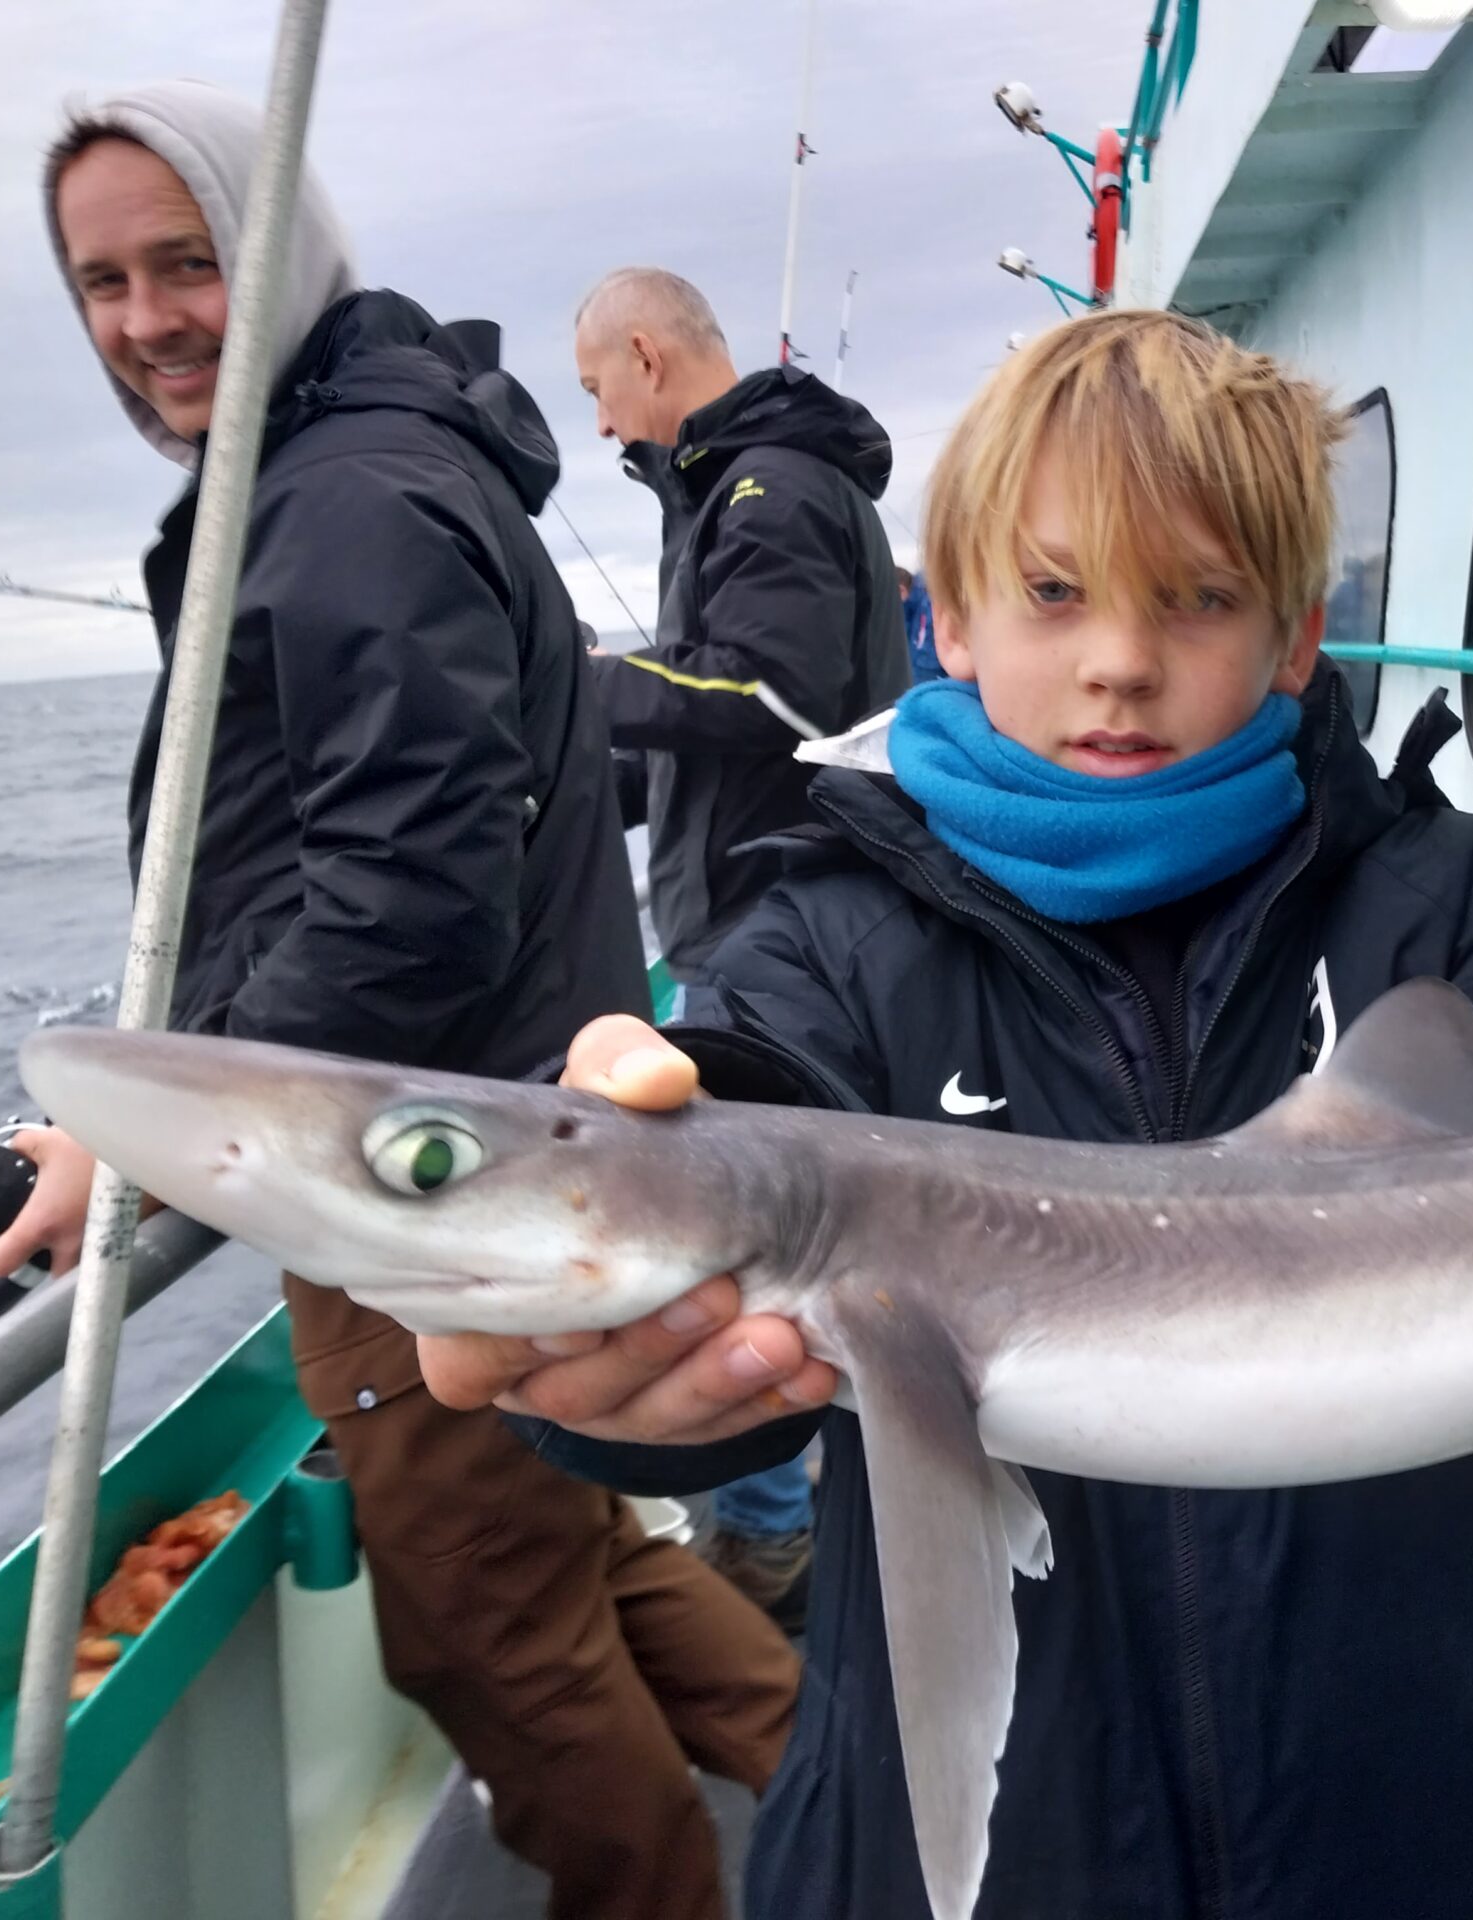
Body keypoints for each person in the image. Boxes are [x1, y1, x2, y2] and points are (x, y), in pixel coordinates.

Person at [417, 309, 1473, 1920]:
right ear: (955, 617)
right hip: (1010, 1846)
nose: (1121, 659)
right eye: (1056, 593)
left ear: (1292, 640)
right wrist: (608, 1296)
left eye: (1197, 600)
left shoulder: (1428, 894)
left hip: (1466, 1819)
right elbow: (751, 1128)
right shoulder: (828, 935)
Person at [0, 82, 799, 1920]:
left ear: (287, 253)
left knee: (495, 1648)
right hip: (524, 1151)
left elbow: (404, 905)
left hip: (428, 1194)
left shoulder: (343, 497)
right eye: (101, 281)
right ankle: (899, 1839)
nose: (147, 319)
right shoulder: (364, 463)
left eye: (190, 262)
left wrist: (138, 1124)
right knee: (589, 1572)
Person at [569, 266, 906, 1630]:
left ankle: (774, 1540)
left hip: (783, 925)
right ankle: (803, 1510)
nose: (599, 425)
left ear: (647, 355)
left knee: (750, 1243)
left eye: (597, 388)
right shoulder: (736, 490)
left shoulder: (766, 489)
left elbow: (767, 693)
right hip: (768, 907)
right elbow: (733, 715)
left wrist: (569, 680)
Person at [896, 562, 943, 682]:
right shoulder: (911, 606)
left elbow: (927, 655)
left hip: (929, 675)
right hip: (916, 669)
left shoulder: (927, 606)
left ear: (901, 590)